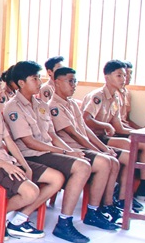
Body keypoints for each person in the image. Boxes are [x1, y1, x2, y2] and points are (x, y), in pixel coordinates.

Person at [4, 61, 106, 242]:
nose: (40, 82)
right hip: (31, 156)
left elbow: (52, 135)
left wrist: (69, 151)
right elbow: (29, 142)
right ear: (21, 83)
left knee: (84, 162)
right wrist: (65, 153)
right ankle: (64, 223)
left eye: (39, 78)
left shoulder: (41, 105)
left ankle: (75, 216)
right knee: (82, 167)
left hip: (47, 153)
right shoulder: (13, 107)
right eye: (34, 78)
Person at [0, 68, 63, 239]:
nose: (1, 90)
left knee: (56, 178)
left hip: (8, 162)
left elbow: (9, 142)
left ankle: (18, 219)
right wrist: (5, 165)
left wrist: (24, 165)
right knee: (31, 192)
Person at [49, 67, 129, 225]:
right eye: (70, 81)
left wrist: (103, 148)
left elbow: (85, 130)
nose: (74, 85)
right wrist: (97, 151)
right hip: (72, 149)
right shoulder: (54, 106)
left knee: (113, 161)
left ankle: (107, 205)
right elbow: (74, 134)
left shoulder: (71, 103)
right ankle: (92, 211)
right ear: (57, 82)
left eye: (75, 81)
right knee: (104, 162)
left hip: (83, 147)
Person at [82, 59, 145, 202]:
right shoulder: (98, 96)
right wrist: (105, 125)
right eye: (119, 75)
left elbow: (119, 127)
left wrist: (142, 133)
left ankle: (125, 196)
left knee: (136, 147)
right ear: (107, 77)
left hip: (103, 137)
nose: (123, 79)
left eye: (124, 76)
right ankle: (120, 193)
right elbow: (86, 119)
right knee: (128, 147)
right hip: (90, 138)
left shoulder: (116, 98)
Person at [120, 61, 142, 129]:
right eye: (126, 74)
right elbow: (115, 123)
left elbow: (127, 120)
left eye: (131, 73)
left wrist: (140, 129)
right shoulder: (113, 94)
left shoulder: (127, 94)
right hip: (117, 129)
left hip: (126, 127)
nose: (129, 76)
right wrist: (135, 132)